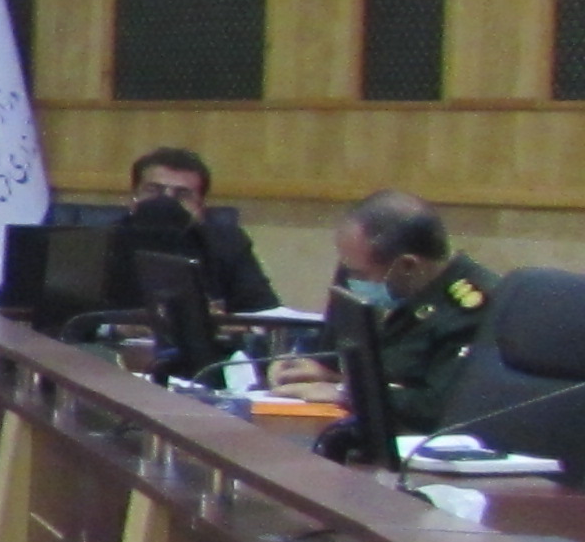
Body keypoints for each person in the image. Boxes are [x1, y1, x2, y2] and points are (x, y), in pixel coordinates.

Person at [271, 192, 496, 435]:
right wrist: (321, 372)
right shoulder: (412, 292)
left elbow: (435, 407)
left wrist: (346, 393)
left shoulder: (473, 309)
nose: (351, 282)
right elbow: (370, 366)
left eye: (360, 275)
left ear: (407, 266)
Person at [106, 147, 278, 313]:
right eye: (154, 190)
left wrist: (223, 323)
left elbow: (265, 312)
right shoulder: (102, 242)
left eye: (182, 194)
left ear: (200, 206)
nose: (166, 202)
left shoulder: (227, 244)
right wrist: (117, 327)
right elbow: (89, 316)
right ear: (133, 197)